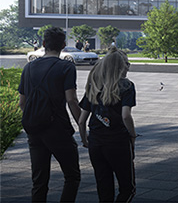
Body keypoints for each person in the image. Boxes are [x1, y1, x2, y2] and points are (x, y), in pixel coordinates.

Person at [18, 26, 82, 202]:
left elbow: (22, 103)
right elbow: (71, 100)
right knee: (72, 176)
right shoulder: (66, 67)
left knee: (39, 181)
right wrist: (82, 126)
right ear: (63, 45)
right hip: (58, 129)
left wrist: (36, 116)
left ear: (44, 43)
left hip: (34, 130)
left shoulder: (28, 68)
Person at [78, 47, 137, 202]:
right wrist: (133, 135)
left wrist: (85, 141)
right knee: (127, 188)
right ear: (119, 67)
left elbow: (82, 120)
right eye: (126, 64)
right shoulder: (126, 86)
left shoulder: (94, 86)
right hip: (118, 142)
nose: (128, 67)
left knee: (104, 187)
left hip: (96, 143)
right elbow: (126, 116)